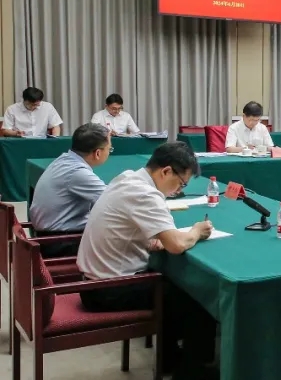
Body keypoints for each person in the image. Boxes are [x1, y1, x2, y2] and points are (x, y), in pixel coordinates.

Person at [76, 142, 215, 378]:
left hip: (94, 280)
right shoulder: (145, 193)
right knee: (197, 297)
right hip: (107, 290)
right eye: (181, 183)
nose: (178, 190)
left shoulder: (128, 178)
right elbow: (176, 245)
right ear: (166, 171)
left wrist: (153, 240)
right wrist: (196, 231)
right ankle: (192, 372)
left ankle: (169, 360)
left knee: (172, 289)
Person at [28, 123, 112, 257]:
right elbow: (113, 200)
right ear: (97, 153)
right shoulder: (77, 172)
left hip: (49, 236)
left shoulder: (64, 160)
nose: (109, 152)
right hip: (61, 243)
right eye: (109, 149)